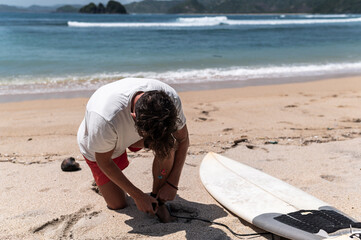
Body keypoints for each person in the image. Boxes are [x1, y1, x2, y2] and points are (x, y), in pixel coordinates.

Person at [77, 78, 189, 222]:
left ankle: (157, 199)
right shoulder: (104, 118)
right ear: (133, 117)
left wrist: (172, 183)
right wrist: (138, 196)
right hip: (103, 147)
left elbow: (183, 140)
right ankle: (102, 184)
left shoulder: (170, 101)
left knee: (166, 145)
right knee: (118, 204)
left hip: (128, 134)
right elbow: (103, 161)